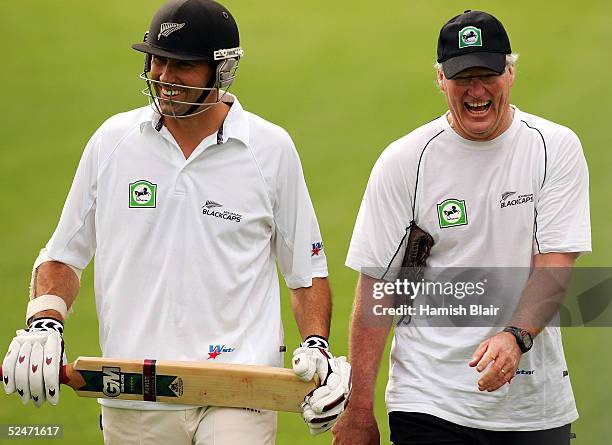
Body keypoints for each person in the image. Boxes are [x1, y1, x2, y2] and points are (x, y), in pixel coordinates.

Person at [2, 1, 351, 444]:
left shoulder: (270, 149)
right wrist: (44, 321)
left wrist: (317, 346)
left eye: (182, 65)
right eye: (157, 60)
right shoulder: (113, 142)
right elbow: (62, 257)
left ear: (222, 71)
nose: (164, 78)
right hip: (134, 392)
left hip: (238, 388)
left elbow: (305, 272)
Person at [332, 9, 590, 445]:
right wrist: (359, 410)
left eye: (487, 74)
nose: (475, 90)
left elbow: (554, 266)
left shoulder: (553, 148)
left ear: (510, 73)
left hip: (532, 404)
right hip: (429, 399)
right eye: (461, 76)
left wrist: (514, 337)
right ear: (439, 79)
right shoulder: (405, 162)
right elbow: (378, 285)